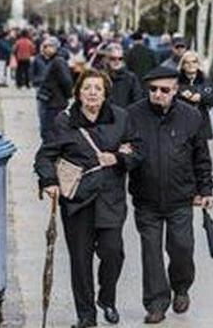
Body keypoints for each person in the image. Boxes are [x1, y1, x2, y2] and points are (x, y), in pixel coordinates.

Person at [34, 69, 144, 328]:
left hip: (110, 198)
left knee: (113, 252)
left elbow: (138, 150)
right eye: (87, 88)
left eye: (97, 88)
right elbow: (45, 156)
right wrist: (49, 181)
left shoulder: (121, 117)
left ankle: (107, 298)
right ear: (78, 93)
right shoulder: (64, 120)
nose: (92, 93)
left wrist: (118, 157)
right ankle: (86, 316)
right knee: (80, 261)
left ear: (106, 93)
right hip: (77, 202)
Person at [127, 66, 213, 324]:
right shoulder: (133, 115)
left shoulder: (190, 116)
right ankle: (156, 303)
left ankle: (182, 287)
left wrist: (206, 189)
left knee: (182, 248)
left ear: (176, 90)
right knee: (151, 252)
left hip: (181, 198)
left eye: (164, 90)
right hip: (146, 198)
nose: (157, 94)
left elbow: (202, 156)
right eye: (152, 89)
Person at [176, 51, 213, 140]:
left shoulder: (205, 80)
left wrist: (201, 97)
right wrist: (180, 95)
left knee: (202, 153)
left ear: (198, 64)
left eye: (194, 62)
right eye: (187, 62)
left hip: (201, 126)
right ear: (183, 65)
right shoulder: (176, 81)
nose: (191, 65)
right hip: (181, 125)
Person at [37, 37, 74, 140]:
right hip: (50, 100)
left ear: (54, 47)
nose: (43, 49)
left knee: (50, 130)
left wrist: (68, 95)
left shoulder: (58, 61)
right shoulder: (52, 60)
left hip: (54, 102)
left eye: (46, 46)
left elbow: (66, 81)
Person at [103, 43, 145, 108]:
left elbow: (138, 100)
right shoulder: (102, 77)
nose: (117, 61)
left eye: (120, 58)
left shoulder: (131, 78)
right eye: (113, 58)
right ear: (106, 59)